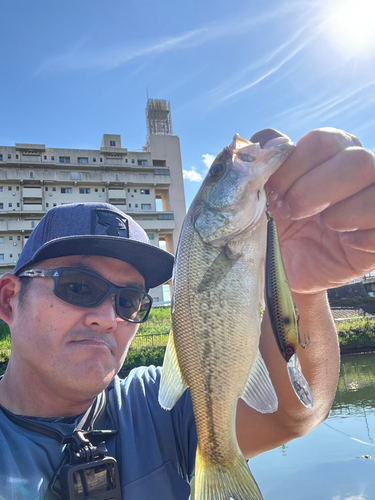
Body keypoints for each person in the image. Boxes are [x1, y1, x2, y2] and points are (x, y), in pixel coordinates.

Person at [0, 127, 374, 499]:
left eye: (128, 301)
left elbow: (295, 413)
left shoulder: (153, 406)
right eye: (78, 287)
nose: (108, 317)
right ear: (10, 300)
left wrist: (298, 291)